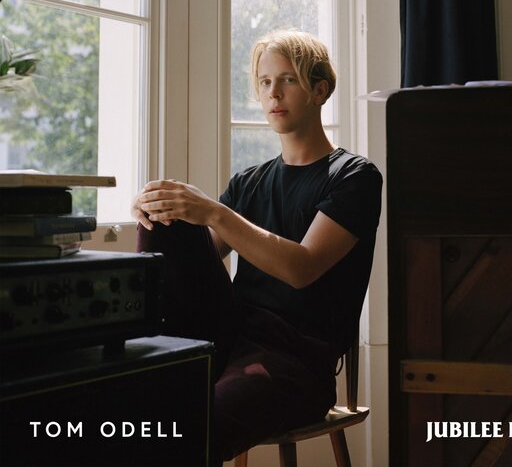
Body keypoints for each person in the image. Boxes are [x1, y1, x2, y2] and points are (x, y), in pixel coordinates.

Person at [131, 30, 382, 464]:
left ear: (320, 90)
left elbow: (302, 268)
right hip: (227, 336)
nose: (273, 93)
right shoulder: (249, 181)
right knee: (166, 218)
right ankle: (143, 341)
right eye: (265, 82)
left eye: (288, 79)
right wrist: (155, 207)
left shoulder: (353, 176)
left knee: (193, 426)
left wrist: (214, 212)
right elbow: (196, 264)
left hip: (296, 361)